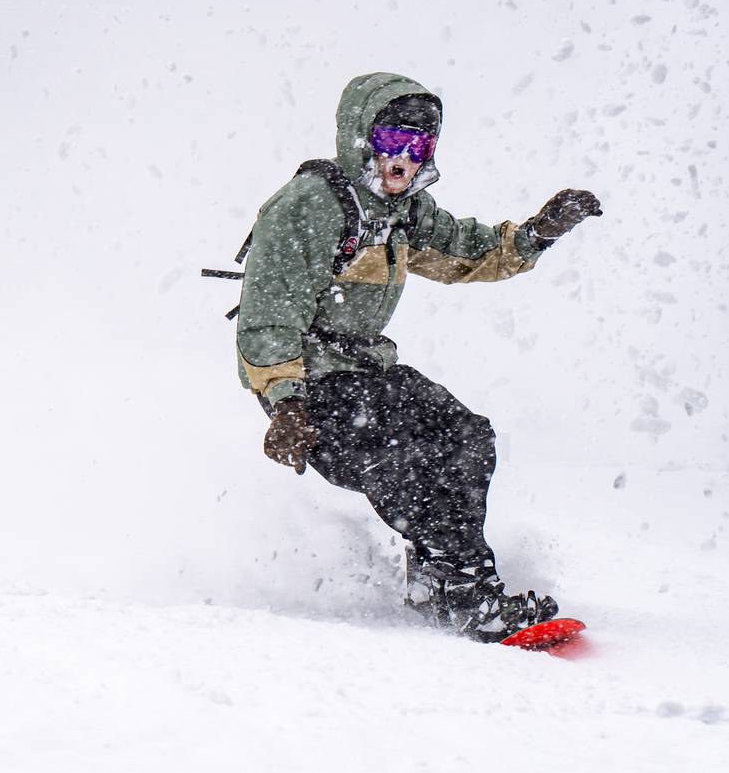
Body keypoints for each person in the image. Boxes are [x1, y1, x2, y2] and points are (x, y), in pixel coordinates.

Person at [233, 71, 601, 641]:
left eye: (420, 146)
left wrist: (537, 234)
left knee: (464, 436)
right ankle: (470, 595)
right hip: (309, 383)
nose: (404, 159)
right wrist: (286, 403)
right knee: (403, 462)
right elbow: (267, 315)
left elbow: (467, 252)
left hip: (367, 369)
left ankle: (437, 582)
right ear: (361, 139)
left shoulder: (405, 211)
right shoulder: (308, 206)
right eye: (391, 141)